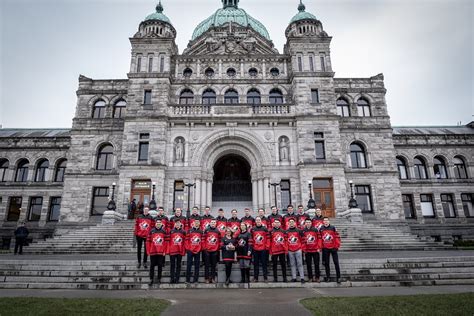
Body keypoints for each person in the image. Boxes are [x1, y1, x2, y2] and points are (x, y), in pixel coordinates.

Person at [146, 219, 168, 286]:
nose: (158, 224)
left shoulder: (164, 231)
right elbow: (148, 242)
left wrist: (165, 251)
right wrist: (148, 251)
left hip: (160, 252)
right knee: (152, 266)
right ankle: (151, 279)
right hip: (153, 251)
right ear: (155, 224)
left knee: (160, 266)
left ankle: (159, 278)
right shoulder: (151, 231)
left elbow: (165, 242)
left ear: (161, 224)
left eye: (159, 223)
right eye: (157, 223)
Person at [320, 217, 341, 284]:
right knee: (327, 264)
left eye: (327, 220)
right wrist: (321, 247)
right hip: (325, 248)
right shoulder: (321, 228)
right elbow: (320, 239)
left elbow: (337, 237)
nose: (326, 222)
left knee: (336, 263)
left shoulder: (333, 228)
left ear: (329, 221)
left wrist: (337, 246)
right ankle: (328, 277)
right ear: (323, 222)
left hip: (333, 248)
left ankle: (338, 277)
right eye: (324, 221)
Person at [250, 216, 269, 282]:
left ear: (261, 221)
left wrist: (266, 246)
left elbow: (268, 238)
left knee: (264, 264)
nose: (258, 221)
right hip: (255, 249)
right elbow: (251, 239)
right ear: (255, 221)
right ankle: (256, 278)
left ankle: (265, 278)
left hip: (263, 249)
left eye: (259, 220)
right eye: (257, 220)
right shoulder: (253, 229)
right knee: (256, 264)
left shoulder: (265, 229)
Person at [185, 219, 204, 284]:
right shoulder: (190, 230)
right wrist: (188, 249)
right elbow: (186, 240)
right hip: (190, 250)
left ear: (199, 223)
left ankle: (195, 280)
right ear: (193, 223)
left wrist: (200, 248)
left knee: (197, 265)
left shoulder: (201, 231)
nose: (196, 223)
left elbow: (202, 241)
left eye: (197, 222)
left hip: (198, 251)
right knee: (189, 265)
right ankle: (187, 280)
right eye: (195, 222)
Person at [287, 218, 305, 283]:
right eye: (290, 222)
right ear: (288, 223)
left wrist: (301, 248)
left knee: (300, 264)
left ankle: (302, 278)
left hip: (298, 249)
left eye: (292, 222)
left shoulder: (299, 231)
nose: (291, 223)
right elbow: (286, 241)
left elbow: (303, 240)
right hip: (290, 250)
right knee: (292, 264)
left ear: (295, 223)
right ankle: (294, 277)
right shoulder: (287, 231)